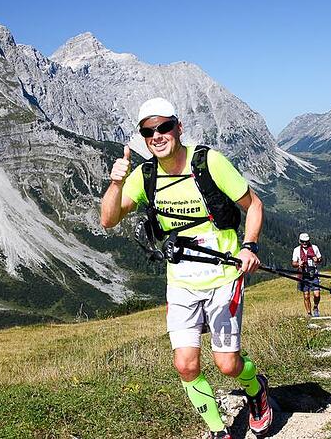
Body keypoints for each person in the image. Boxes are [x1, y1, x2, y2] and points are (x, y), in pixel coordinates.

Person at [100, 97, 272, 438]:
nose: (157, 136)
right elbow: (108, 219)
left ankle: (257, 390)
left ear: (178, 128)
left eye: (164, 127)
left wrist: (250, 246)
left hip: (225, 276)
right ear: (143, 137)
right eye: (148, 131)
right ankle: (218, 431)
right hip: (180, 281)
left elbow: (254, 205)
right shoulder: (144, 175)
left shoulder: (209, 162)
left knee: (227, 365)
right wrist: (116, 183)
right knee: (185, 365)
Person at [292, 233, 323, 317]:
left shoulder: (315, 248)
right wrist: (298, 264)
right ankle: (309, 313)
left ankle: (315, 307)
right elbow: (293, 263)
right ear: (300, 241)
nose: (304, 243)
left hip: (314, 273)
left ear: (309, 241)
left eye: (306, 241)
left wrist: (317, 259)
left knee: (317, 294)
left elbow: (320, 259)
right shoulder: (296, 250)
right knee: (306, 295)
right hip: (303, 275)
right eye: (303, 242)